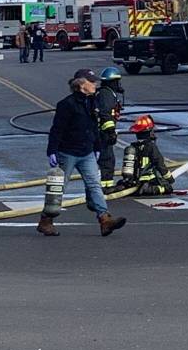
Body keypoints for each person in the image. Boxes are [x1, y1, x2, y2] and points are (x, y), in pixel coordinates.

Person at [37, 69, 127, 237]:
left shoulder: (92, 102)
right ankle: (45, 221)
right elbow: (57, 129)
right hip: (67, 152)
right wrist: (52, 151)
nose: (95, 84)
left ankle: (104, 219)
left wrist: (98, 147)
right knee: (59, 189)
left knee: (94, 184)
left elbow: (94, 127)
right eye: (91, 82)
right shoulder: (67, 105)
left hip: (87, 153)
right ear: (80, 84)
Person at [123, 115, 173, 196]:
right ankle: (148, 189)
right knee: (168, 188)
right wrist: (169, 178)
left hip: (133, 182)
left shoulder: (133, 147)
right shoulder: (151, 147)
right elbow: (159, 164)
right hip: (149, 181)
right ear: (149, 132)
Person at [95, 67, 124, 192]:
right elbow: (105, 114)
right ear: (112, 82)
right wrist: (110, 131)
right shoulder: (106, 94)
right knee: (107, 159)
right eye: (117, 81)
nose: (119, 84)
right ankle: (105, 186)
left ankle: (106, 185)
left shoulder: (106, 93)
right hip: (102, 133)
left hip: (101, 132)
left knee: (107, 158)